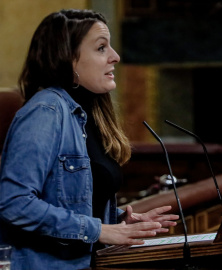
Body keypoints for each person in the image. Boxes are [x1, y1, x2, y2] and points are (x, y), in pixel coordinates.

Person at [0, 9, 179, 270]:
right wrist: (100, 231)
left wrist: (117, 222)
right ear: (68, 58)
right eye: (101, 48)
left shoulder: (85, 112)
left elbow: (68, 198)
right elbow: (14, 202)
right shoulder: (46, 112)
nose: (115, 57)